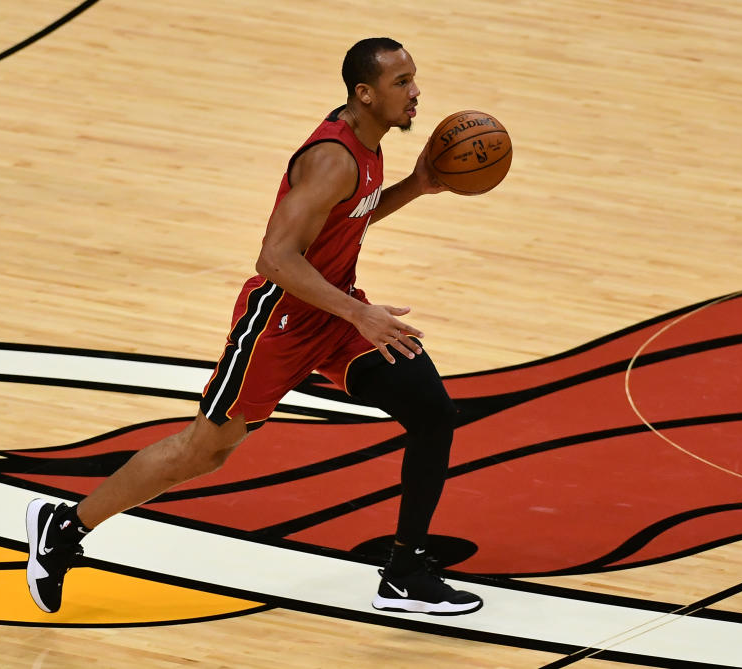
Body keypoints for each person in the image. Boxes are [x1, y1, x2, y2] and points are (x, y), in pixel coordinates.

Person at [25, 37, 483, 617]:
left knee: (432, 411)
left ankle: (404, 571)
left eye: (414, 79)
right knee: (206, 450)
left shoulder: (370, 143)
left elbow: (351, 216)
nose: (416, 93)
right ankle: (64, 528)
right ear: (364, 94)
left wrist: (415, 188)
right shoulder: (333, 157)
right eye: (402, 83)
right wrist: (360, 314)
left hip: (335, 311)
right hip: (281, 322)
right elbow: (275, 259)